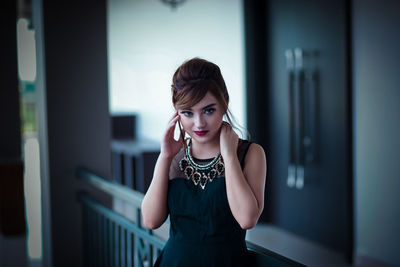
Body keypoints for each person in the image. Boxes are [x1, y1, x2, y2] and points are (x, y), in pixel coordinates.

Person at [141, 58, 267, 266]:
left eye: (208, 110)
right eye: (188, 113)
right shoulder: (174, 156)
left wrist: (229, 155)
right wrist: (165, 157)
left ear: (224, 102)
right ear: (176, 111)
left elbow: (247, 219)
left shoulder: (251, 153)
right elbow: (150, 220)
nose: (199, 123)